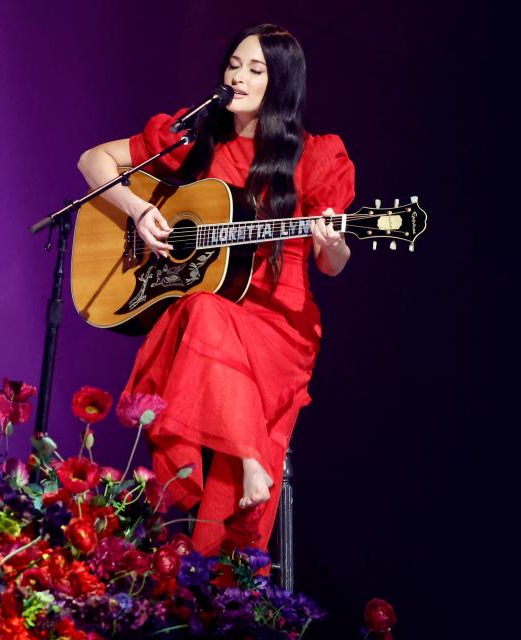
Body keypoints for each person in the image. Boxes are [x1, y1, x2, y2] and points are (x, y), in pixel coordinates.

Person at [76, 23, 355, 555]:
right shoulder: (195, 140)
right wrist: (139, 212)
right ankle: (251, 461)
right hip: (210, 315)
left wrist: (333, 240)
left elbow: (333, 263)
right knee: (204, 306)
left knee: (205, 309)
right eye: (234, 65)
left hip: (280, 325)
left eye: (256, 70)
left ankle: (243, 487)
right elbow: (93, 160)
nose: (239, 77)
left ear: (283, 84)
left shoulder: (316, 157)